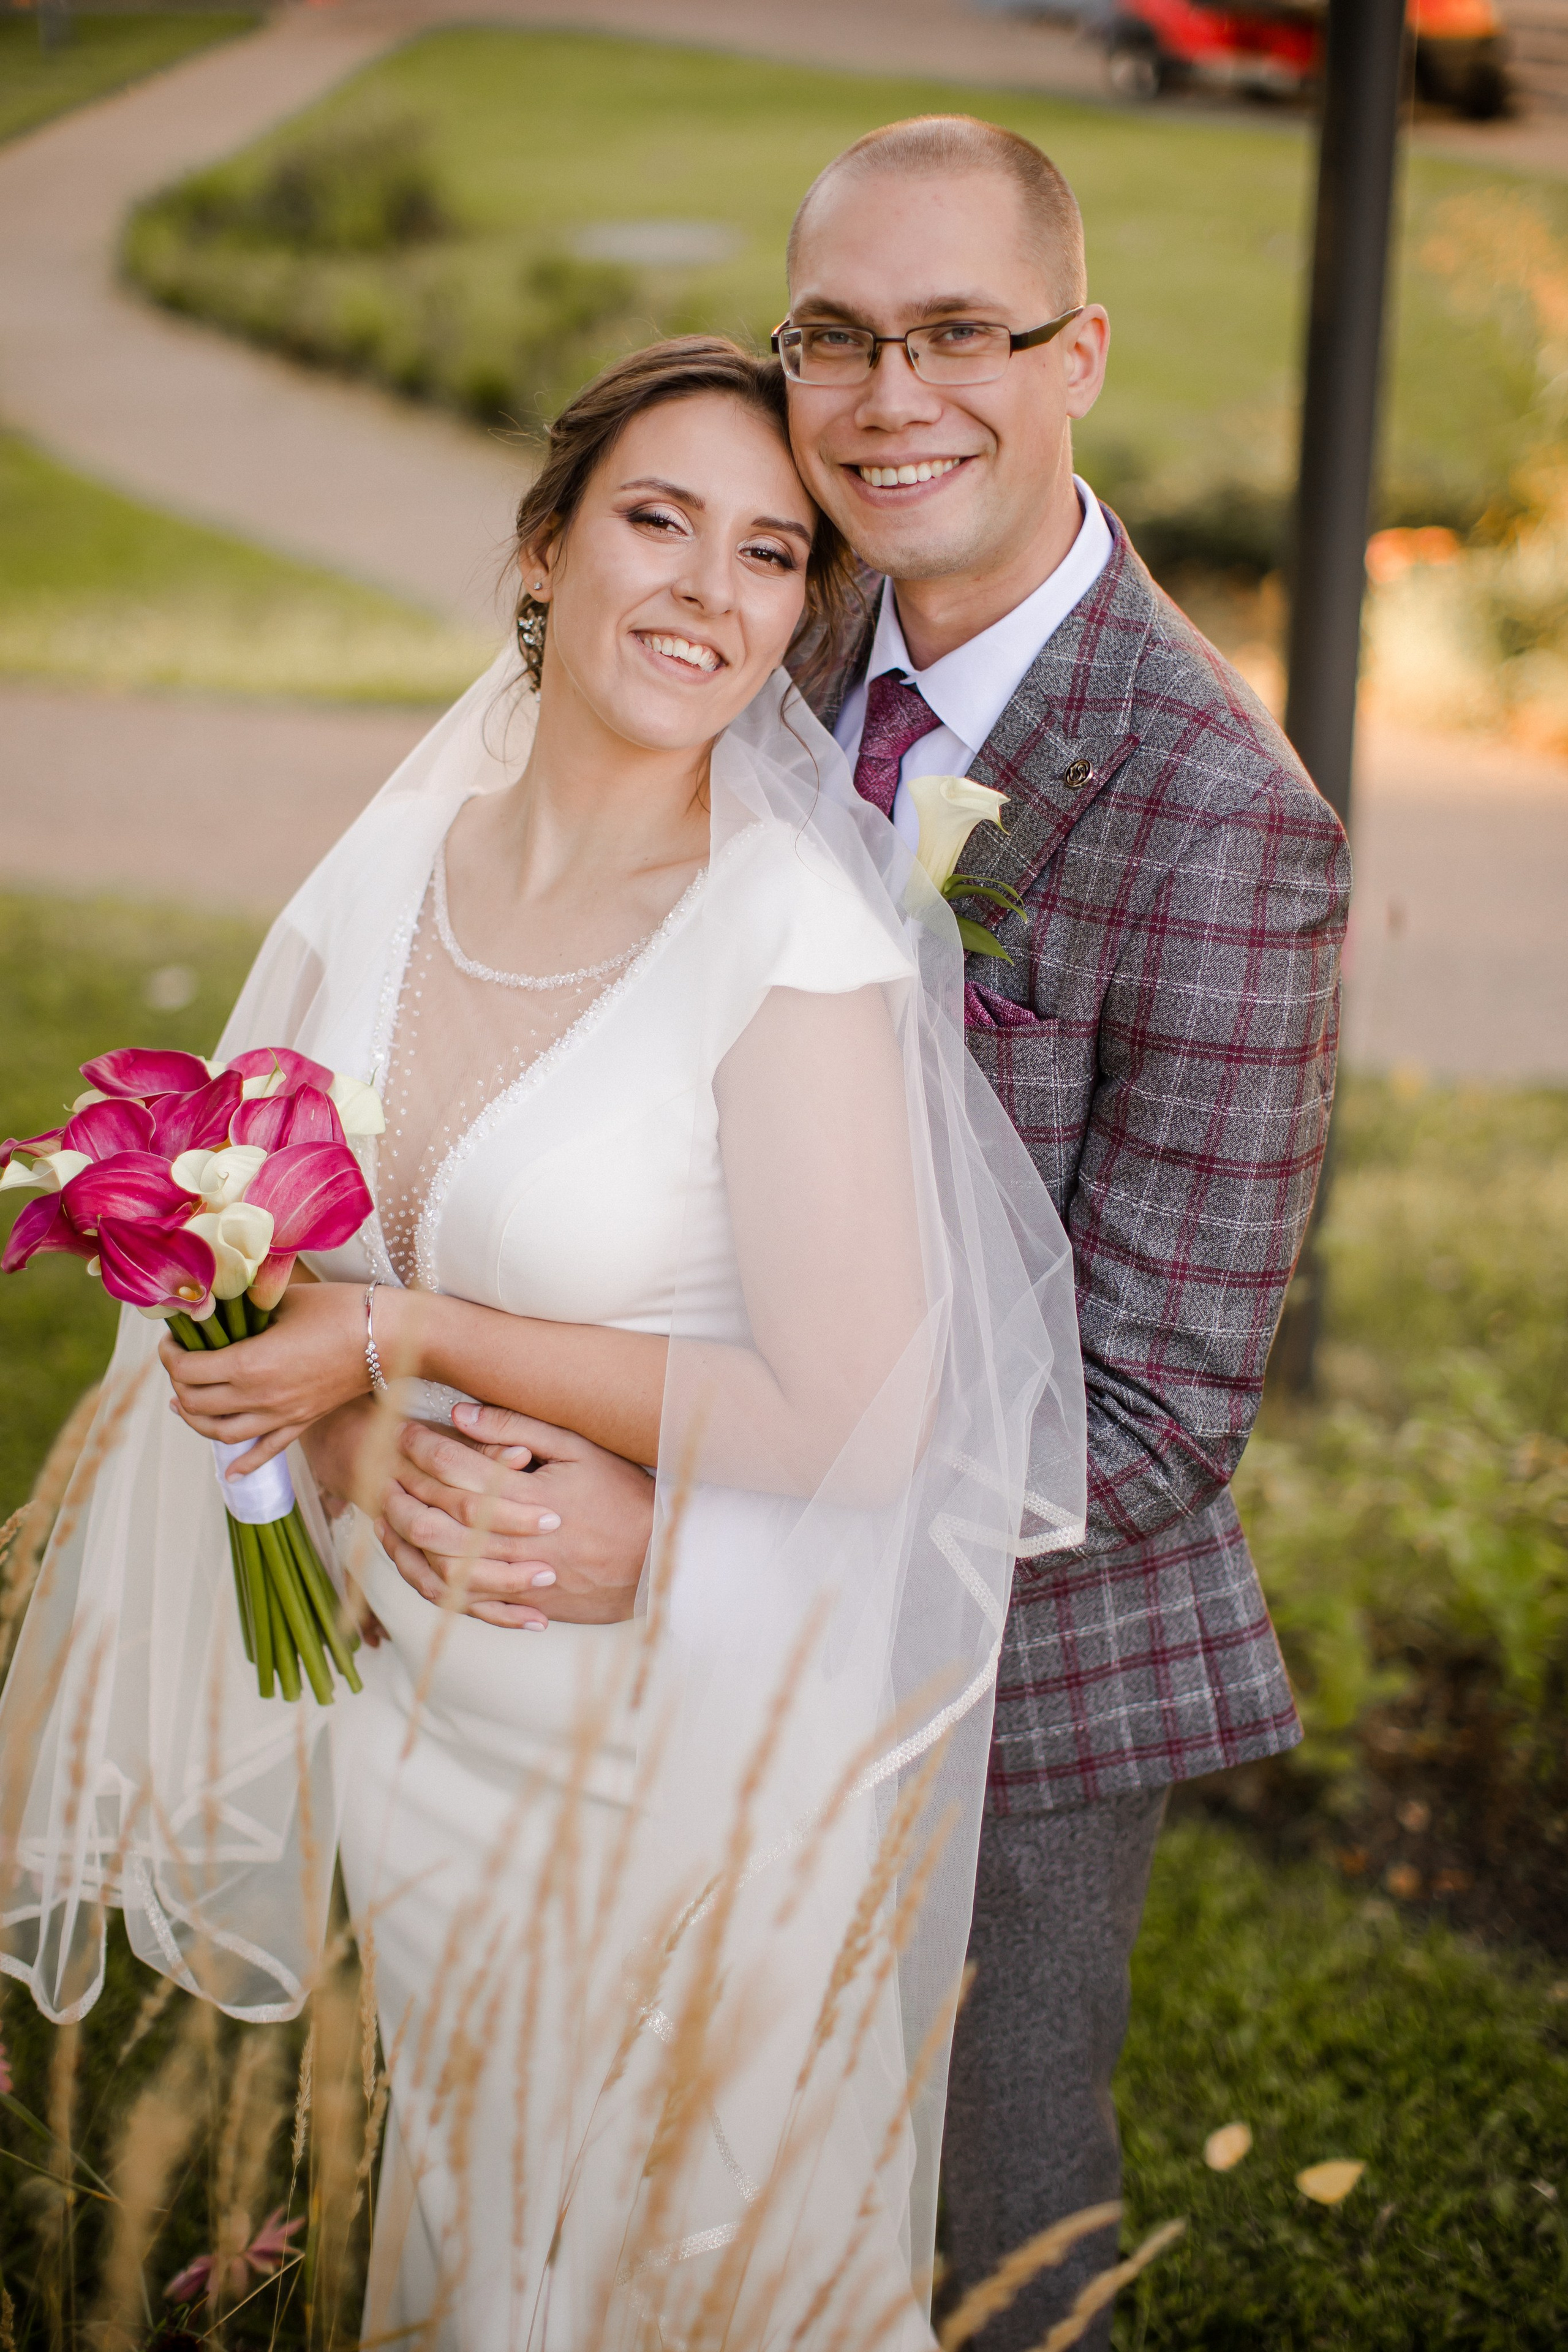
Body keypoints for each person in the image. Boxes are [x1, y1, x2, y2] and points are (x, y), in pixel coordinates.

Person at [0, 339, 1087, 2348]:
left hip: (670, 1747)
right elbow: (254, 1271)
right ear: (544, 543)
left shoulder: (789, 940)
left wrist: (402, 1331)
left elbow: (860, 1410)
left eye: (771, 556)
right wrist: (318, 1428)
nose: (705, 587)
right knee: (471, 2261)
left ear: (796, 619)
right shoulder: (396, 863)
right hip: (420, 1721)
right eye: (656, 520)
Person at [777, 116, 1352, 2348]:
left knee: (989, 2238)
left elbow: (1150, 1418)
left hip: (1013, 1684)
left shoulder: (1224, 822)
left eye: (957, 335)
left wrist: (702, 1489)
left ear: (1077, 351)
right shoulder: (784, 630)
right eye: (837, 338)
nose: (890, 397)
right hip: (690, 1605)